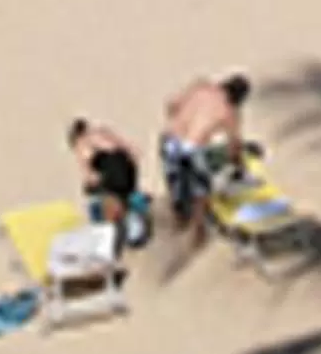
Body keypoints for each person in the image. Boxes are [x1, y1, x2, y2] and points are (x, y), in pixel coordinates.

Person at [158, 72, 250, 241]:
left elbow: (171, 105)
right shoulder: (229, 111)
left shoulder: (201, 87)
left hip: (170, 140)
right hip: (193, 148)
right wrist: (240, 166)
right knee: (200, 193)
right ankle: (196, 237)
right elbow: (233, 144)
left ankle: (175, 230)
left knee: (177, 193)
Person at [68, 116, 144, 248]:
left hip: (110, 169)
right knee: (126, 195)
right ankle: (135, 224)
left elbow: (90, 176)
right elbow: (131, 150)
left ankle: (107, 235)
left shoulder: (81, 144)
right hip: (126, 165)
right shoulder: (102, 131)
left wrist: (90, 187)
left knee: (97, 197)